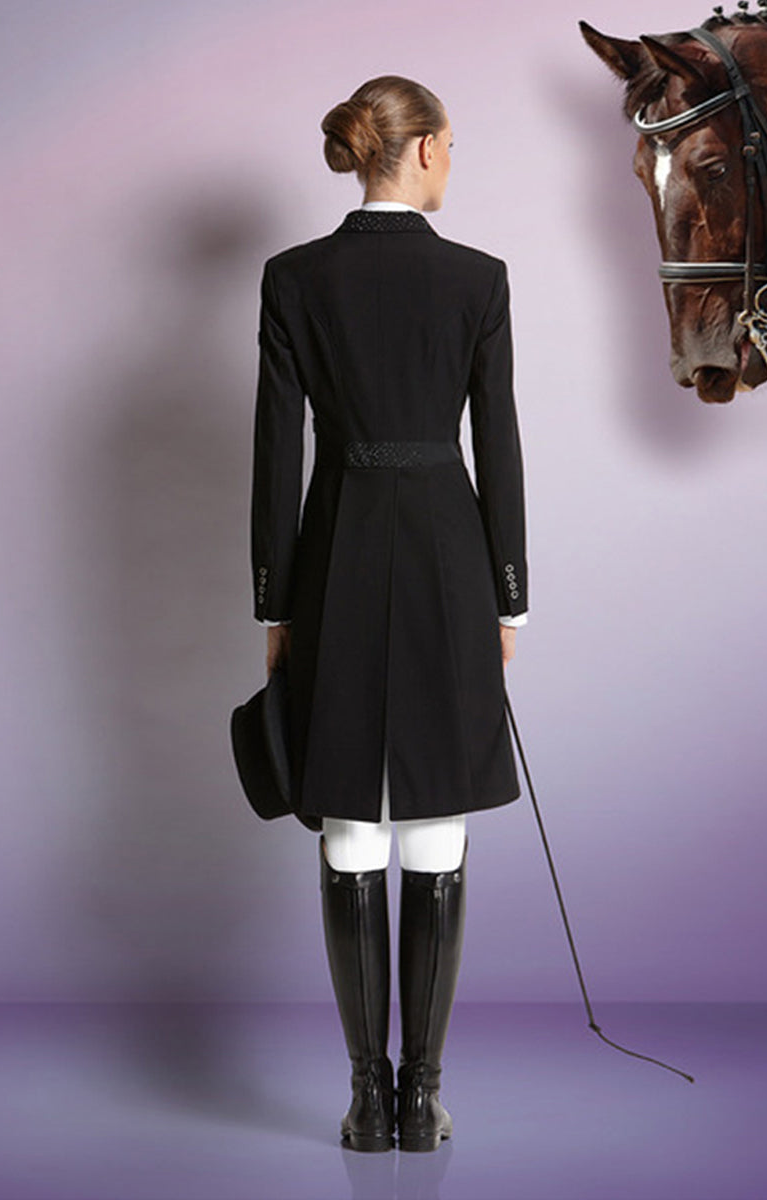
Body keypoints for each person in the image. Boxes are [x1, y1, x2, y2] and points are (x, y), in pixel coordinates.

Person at [250, 74, 527, 1153]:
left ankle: (367, 1099)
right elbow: (497, 446)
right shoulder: (479, 279)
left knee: (351, 828)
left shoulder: (293, 277)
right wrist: (511, 595)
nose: (453, 161)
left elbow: (278, 453)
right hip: (454, 564)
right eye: (450, 144)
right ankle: (422, 1099)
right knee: (437, 820)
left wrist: (274, 601)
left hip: (334, 559)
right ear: (421, 150)